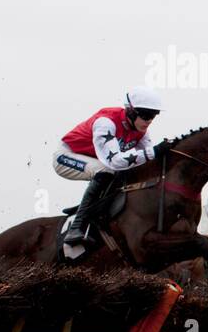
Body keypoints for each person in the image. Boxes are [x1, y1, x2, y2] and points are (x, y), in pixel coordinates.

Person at [54, 87, 165, 248]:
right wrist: (154, 152)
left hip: (95, 160)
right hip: (66, 156)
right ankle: (76, 227)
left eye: (153, 116)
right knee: (107, 170)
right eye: (146, 115)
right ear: (131, 111)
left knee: (128, 172)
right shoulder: (106, 122)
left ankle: (96, 209)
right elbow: (115, 162)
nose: (149, 121)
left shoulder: (141, 131)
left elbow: (146, 162)